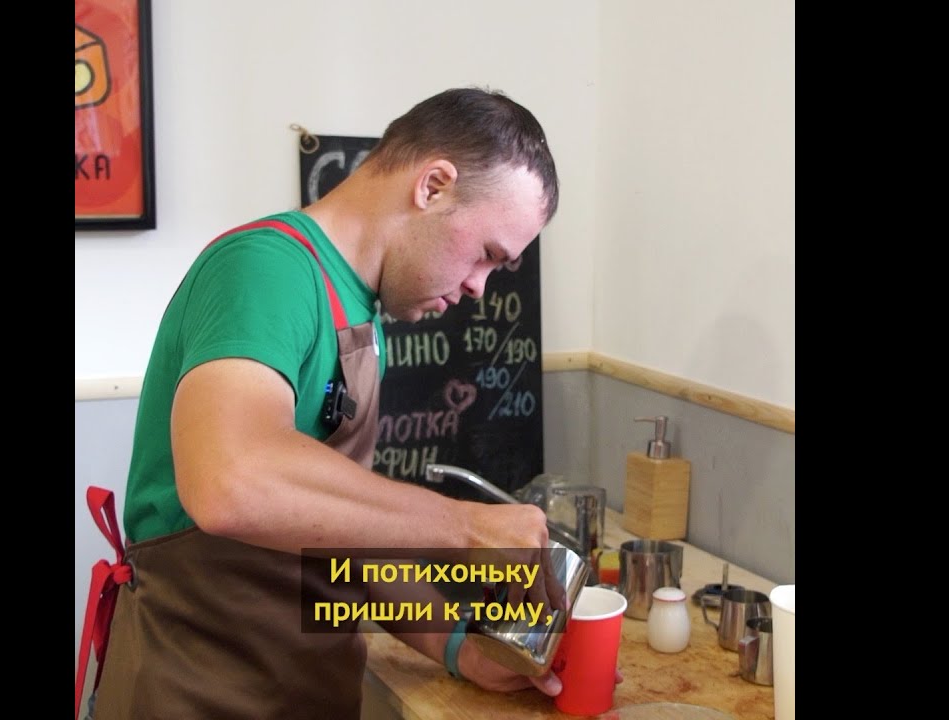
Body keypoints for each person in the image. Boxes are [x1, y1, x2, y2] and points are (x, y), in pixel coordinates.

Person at [82, 87, 585, 720]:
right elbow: (230, 481)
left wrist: (456, 646)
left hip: (301, 690)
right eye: (487, 254)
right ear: (433, 186)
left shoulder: (361, 316)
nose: (479, 287)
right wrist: (465, 527)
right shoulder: (266, 269)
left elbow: (342, 534)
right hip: (196, 690)